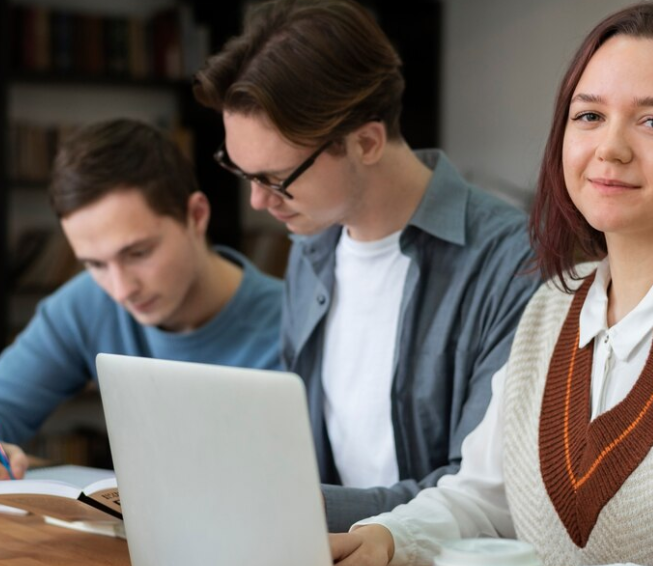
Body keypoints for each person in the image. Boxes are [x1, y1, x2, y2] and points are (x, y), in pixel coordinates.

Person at [330, 3, 653, 565]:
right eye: (589, 116)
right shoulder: (551, 306)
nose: (610, 148)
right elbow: (487, 497)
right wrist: (390, 538)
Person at [193, 0, 541, 532]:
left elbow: (484, 494)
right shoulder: (312, 251)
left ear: (367, 141)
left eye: (277, 179)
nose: (260, 203)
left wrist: (296, 507)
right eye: (244, 174)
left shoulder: (513, 261)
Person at [0, 119, 283, 482]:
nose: (120, 290)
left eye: (138, 253)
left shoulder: (296, 327)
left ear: (196, 216)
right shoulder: (85, 304)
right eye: (95, 264)